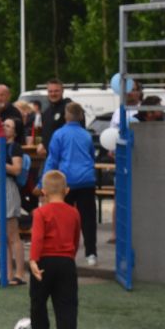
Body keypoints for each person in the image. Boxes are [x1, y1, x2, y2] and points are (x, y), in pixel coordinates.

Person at [27, 170, 83, 329]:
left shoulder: (40, 212)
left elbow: (37, 238)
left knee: (38, 302)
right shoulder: (74, 212)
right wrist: (70, 257)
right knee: (67, 304)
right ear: (66, 190)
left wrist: (33, 260)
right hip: (66, 262)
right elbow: (76, 238)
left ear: (43, 192)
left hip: (44, 262)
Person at [42, 102, 98, 266]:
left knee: (63, 218)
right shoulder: (86, 135)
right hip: (86, 180)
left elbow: (52, 159)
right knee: (88, 218)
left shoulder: (59, 134)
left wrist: (43, 182)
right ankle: (91, 253)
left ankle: (65, 251)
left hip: (66, 181)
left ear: (66, 116)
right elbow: (91, 156)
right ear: (80, 116)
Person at [0, 118, 27, 285]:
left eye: (9, 126)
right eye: (4, 124)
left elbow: (17, 170)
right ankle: (7, 274)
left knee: (12, 234)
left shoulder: (14, 147)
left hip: (7, 187)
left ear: (15, 132)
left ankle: (20, 274)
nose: (4, 127)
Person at [36, 79, 71, 157]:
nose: (53, 94)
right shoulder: (46, 112)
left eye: (56, 91)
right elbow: (45, 133)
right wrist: (42, 143)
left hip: (65, 156)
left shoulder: (68, 108)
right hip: (50, 157)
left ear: (62, 91)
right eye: (50, 91)